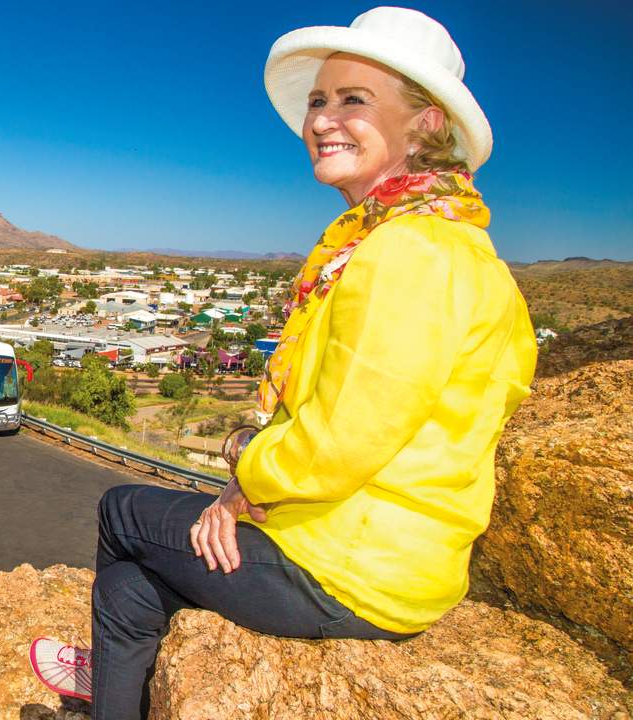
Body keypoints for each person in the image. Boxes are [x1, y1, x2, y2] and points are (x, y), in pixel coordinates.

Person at [30, 8, 537, 718]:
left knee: (123, 509)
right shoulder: (447, 247)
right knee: (128, 591)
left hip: (353, 565)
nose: (323, 119)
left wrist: (238, 490)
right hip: (381, 554)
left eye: (353, 100)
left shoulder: (409, 251)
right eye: (317, 102)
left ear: (424, 125)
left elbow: (344, 438)